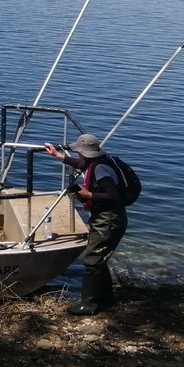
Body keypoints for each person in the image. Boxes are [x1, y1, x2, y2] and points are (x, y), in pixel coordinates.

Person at [43, 132, 127, 315]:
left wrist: (90, 195)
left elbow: (113, 196)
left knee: (92, 259)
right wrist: (60, 156)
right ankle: (104, 297)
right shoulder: (98, 162)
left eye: (79, 152)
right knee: (99, 259)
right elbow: (81, 164)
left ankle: (89, 303)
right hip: (107, 217)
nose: (78, 155)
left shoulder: (101, 170)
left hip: (109, 219)